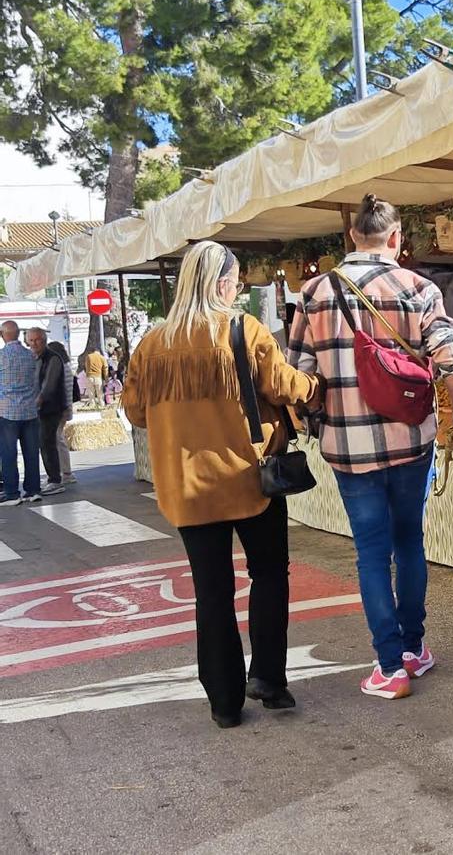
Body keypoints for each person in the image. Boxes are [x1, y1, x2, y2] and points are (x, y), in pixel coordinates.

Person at [288, 193, 453, 701]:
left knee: (371, 552)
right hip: (412, 440)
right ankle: (414, 649)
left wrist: (316, 420)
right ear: (397, 239)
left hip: (348, 448)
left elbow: (299, 375)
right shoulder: (418, 287)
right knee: (409, 542)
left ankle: (389, 666)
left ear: (352, 237)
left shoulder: (313, 292)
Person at [124, 241, 322, 729]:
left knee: (211, 594)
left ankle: (224, 702)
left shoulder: (152, 344)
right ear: (220, 283)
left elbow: (134, 412)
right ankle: (269, 681)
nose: (237, 288)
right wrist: (315, 385)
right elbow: (283, 386)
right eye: (235, 281)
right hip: (250, 479)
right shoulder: (243, 329)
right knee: (269, 576)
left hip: (188, 489)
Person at [0, 321, 41, 506]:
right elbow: (35, 381)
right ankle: (33, 490)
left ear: (3, 335)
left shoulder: (1, 357)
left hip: (7, 411)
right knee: (31, 453)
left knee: (9, 453)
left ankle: (12, 493)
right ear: (18, 335)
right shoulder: (30, 355)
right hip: (30, 411)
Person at [25, 329, 68, 496]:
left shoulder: (52, 358)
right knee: (44, 442)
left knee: (47, 441)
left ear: (44, 340)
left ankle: (55, 480)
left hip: (51, 407)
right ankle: (52, 477)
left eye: (37, 340)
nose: (34, 343)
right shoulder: (33, 357)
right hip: (39, 407)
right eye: (31, 340)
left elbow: (49, 385)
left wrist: (39, 400)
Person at [46, 341, 76, 484]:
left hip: (58, 409)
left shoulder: (59, 368)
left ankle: (65, 472)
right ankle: (64, 472)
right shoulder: (67, 367)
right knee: (58, 438)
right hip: (65, 407)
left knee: (57, 439)